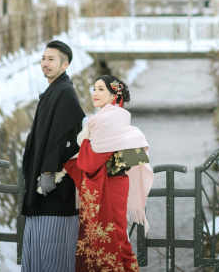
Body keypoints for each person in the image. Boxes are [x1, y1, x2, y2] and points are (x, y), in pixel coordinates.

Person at [62, 75, 153, 272]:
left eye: (101, 89)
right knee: (117, 236)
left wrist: (83, 142)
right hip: (115, 182)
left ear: (114, 95)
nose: (95, 93)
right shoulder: (114, 116)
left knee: (112, 235)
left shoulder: (108, 119)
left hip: (109, 186)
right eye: (94, 88)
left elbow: (91, 160)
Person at [20, 40, 86, 272]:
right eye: (43, 59)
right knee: (42, 248)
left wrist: (48, 171)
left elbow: (65, 137)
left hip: (54, 187)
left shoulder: (65, 92)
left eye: (52, 59)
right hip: (42, 183)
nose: (45, 64)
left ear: (65, 64)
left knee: (54, 250)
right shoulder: (54, 90)